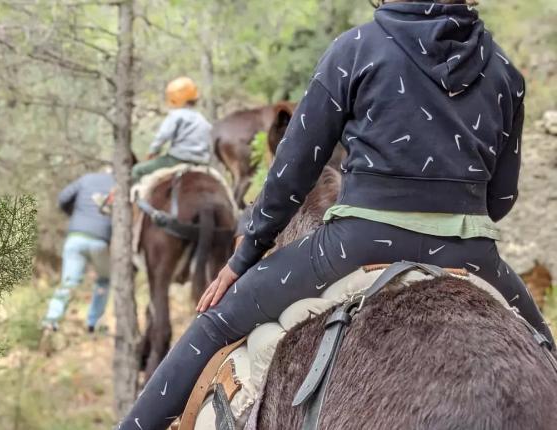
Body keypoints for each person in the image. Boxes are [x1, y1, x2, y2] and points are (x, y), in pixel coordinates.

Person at [119, 1, 554, 428]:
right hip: (471, 253)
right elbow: (500, 199)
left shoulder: (356, 47)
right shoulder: (504, 70)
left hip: (356, 244)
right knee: (543, 349)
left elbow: (292, 172)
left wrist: (243, 256)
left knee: (215, 324)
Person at [42, 169, 114, 332]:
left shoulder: (86, 178)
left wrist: (74, 214)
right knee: (104, 280)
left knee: (68, 282)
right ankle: (94, 323)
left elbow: (63, 198)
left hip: (76, 237)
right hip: (100, 241)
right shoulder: (119, 185)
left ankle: (51, 319)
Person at [131, 76, 213, 183]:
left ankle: (136, 199)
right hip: (202, 163)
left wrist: (153, 151)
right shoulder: (202, 119)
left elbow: (163, 136)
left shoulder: (176, 115)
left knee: (138, 170)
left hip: (177, 160)